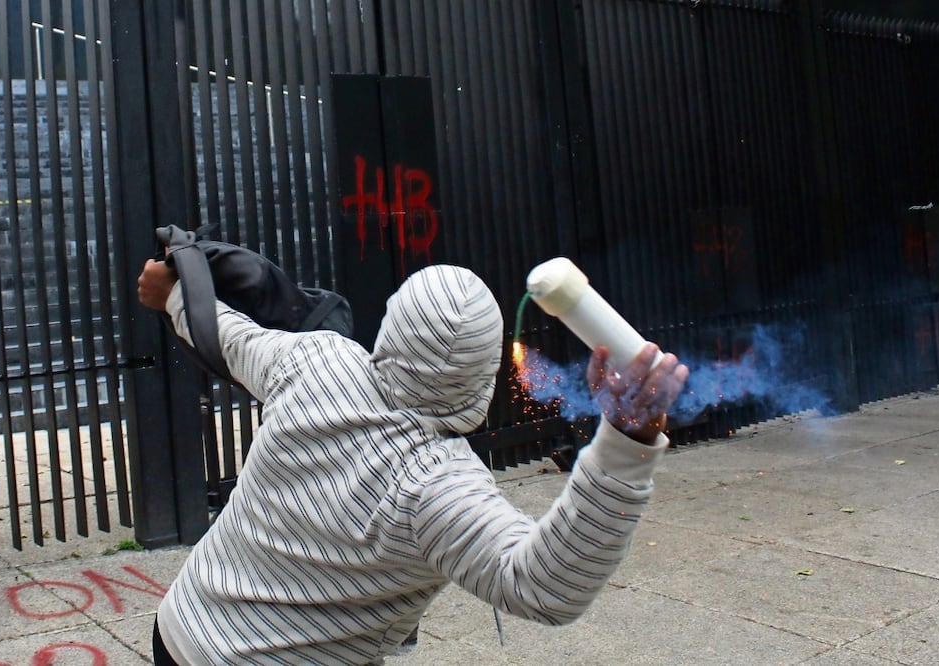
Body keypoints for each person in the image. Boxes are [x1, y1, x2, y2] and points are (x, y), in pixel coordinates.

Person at [137, 258, 689, 666]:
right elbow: (546, 586)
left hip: (182, 629)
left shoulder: (316, 361)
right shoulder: (435, 488)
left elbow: (232, 337)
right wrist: (626, 441)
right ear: (484, 370)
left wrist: (173, 296)